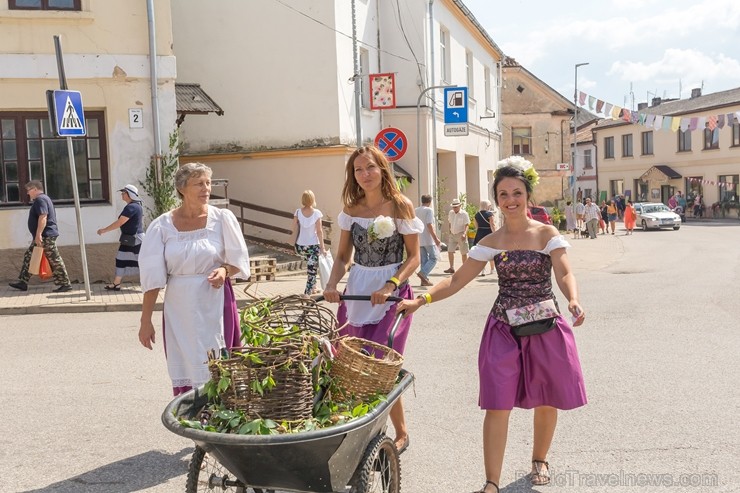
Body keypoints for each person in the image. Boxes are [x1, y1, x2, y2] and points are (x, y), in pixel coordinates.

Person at [398, 159, 586, 493]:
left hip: (544, 325)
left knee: (547, 397)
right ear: (496, 199)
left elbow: (565, 271)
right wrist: (421, 301)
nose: (510, 199)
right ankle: (491, 483)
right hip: (503, 329)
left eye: (517, 192)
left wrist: (572, 298)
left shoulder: (546, 233)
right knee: (497, 402)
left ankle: (539, 458)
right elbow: (456, 280)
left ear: (527, 195)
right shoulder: (492, 242)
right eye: (503, 194)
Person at [323, 145, 422, 454]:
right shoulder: (351, 209)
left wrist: (392, 282)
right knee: (350, 363)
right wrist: (331, 283)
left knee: (381, 364)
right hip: (357, 291)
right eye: (358, 169)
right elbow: (341, 256)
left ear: (382, 170)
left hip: (392, 294)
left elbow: (415, 257)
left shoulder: (400, 206)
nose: (364, 174)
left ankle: (401, 431)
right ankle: (357, 428)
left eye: (370, 167)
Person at [137, 162, 251, 396]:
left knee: (219, 358)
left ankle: (225, 411)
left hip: (215, 299)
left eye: (208, 183)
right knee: (187, 360)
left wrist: (225, 271)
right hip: (180, 304)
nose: (206, 188)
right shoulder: (162, 226)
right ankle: (193, 411)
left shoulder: (222, 219)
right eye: (199, 183)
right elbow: (153, 278)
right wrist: (145, 320)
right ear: (182, 189)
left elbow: (239, 261)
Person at [9, 180, 72, 292]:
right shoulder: (43, 199)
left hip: (45, 236)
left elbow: (43, 217)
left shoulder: (40, 199)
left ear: (35, 189)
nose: (28, 193)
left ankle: (65, 283)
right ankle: (23, 282)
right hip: (44, 236)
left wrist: (38, 235)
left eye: (29, 190)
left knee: (54, 259)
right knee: (29, 256)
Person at [96, 184, 145, 290]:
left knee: (143, 261)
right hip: (129, 239)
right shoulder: (134, 206)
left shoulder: (132, 207)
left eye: (123, 193)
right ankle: (116, 283)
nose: (122, 194)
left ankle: (154, 283)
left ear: (129, 194)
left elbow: (120, 222)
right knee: (121, 259)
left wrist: (104, 230)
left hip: (135, 239)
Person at [292, 190, 326, 295]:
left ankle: (314, 287)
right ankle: (307, 294)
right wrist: (322, 247)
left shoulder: (297, 212)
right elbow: (319, 231)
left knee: (311, 265)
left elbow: (293, 228)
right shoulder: (317, 213)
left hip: (301, 246)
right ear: (313, 199)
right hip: (312, 246)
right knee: (312, 271)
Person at [415, 194, 441, 287]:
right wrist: (436, 238)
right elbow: (429, 225)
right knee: (434, 258)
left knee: (424, 259)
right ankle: (423, 273)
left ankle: (424, 280)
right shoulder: (429, 210)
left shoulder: (416, 210)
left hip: (419, 238)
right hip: (428, 238)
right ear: (430, 202)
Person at [445, 198, 470, 274]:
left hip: (461, 233)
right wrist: (449, 230)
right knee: (450, 251)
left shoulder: (464, 214)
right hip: (453, 234)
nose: (454, 208)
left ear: (460, 206)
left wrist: (464, 233)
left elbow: (467, 224)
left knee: (463, 252)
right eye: (453, 207)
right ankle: (451, 267)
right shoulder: (451, 213)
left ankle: (465, 268)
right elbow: (449, 222)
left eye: (456, 207)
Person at [473, 200, 496, 275]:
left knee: (482, 252)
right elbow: (492, 225)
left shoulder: (477, 214)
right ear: (488, 205)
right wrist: (495, 234)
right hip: (488, 233)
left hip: (480, 233)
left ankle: (483, 269)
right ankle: (492, 269)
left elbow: (476, 226)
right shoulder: (490, 214)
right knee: (490, 251)